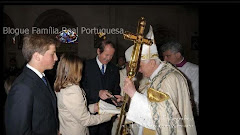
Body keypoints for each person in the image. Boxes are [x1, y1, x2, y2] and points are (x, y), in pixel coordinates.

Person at [123, 25, 197, 135]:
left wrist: (134, 94)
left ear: (152, 62)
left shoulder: (168, 78)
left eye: (141, 66)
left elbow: (163, 117)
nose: (139, 70)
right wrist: (132, 97)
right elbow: (154, 102)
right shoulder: (159, 75)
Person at [5, 34, 60, 135]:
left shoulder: (41, 77)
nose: (56, 58)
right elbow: (18, 131)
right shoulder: (23, 87)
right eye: (53, 54)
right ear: (37, 56)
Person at [54, 53, 114, 135]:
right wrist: (109, 115)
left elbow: (75, 111)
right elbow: (86, 120)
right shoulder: (72, 90)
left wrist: (94, 107)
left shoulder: (63, 86)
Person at [81, 40, 121, 135]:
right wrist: (97, 93)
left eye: (111, 56)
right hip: (90, 114)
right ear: (98, 51)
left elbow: (116, 88)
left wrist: (116, 97)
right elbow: (81, 89)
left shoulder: (114, 69)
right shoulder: (85, 66)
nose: (108, 58)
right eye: (106, 55)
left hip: (107, 115)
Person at [160, 41, 199, 117]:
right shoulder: (164, 69)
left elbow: (195, 94)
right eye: (163, 57)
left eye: (168, 56)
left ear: (178, 55)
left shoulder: (195, 70)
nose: (165, 60)